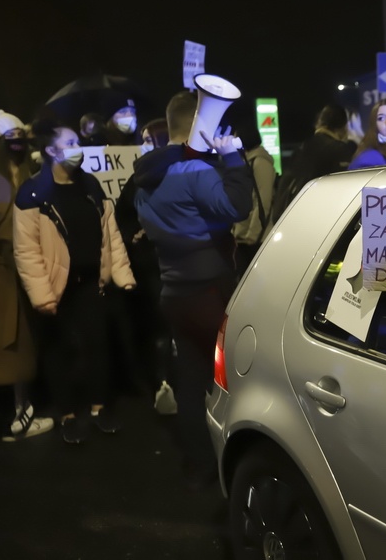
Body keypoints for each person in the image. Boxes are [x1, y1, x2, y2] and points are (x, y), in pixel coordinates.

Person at [133, 85, 253, 488]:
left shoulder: (148, 175)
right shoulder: (192, 170)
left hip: (174, 292)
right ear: (200, 124)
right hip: (210, 291)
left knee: (190, 379)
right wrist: (233, 158)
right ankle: (234, 465)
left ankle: (198, 463)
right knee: (232, 380)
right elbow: (237, 207)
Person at [13, 118, 136, 444]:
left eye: (77, 143)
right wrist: (42, 296)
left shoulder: (91, 186)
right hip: (54, 286)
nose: (76, 150)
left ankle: (98, 408)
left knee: (98, 345)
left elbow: (110, 233)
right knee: (58, 352)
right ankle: (68, 414)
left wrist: (122, 275)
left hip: (90, 281)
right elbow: (26, 251)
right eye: (69, 144)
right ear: (52, 151)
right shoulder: (32, 193)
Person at [0, 111, 54, 441]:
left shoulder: (21, 175)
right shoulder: (4, 182)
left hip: (18, 274)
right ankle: (18, 417)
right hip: (9, 277)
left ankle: (19, 412)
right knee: (14, 347)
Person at [115, 117, 177, 412]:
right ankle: (162, 383)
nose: (144, 146)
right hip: (150, 265)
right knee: (160, 326)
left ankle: (171, 382)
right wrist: (134, 235)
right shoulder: (140, 176)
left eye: (149, 140)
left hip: (174, 262)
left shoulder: (180, 172)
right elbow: (121, 215)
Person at [228, 102, 276, 277]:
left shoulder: (260, 162)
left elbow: (262, 200)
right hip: (244, 236)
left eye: (235, 137)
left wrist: (252, 235)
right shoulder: (249, 161)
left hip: (255, 238)